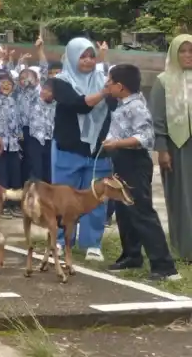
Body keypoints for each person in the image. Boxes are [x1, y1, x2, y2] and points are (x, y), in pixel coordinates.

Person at [102, 63, 179, 281]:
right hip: (121, 162)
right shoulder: (123, 103)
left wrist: (117, 144)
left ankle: (164, 266)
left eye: (110, 82)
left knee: (141, 212)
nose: (107, 85)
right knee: (124, 211)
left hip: (134, 162)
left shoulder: (136, 106)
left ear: (120, 86)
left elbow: (145, 138)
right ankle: (132, 255)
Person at [51, 37, 113, 262]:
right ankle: (59, 240)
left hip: (98, 150)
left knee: (96, 197)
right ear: (71, 57)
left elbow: (115, 107)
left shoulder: (104, 79)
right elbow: (79, 105)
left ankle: (92, 243)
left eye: (91, 56)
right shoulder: (60, 81)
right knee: (63, 197)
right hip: (70, 149)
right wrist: (104, 93)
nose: (87, 60)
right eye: (82, 56)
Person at [154, 34, 192, 261]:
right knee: (181, 197)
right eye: (183, 51)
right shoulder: (163, 81)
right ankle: (184, 248)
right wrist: (162, 148)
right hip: (177, 147)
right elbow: (157, 119)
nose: (188, 56)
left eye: (191, 51)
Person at [0, 70, 22, 216]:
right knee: (1, 175)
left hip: (14, 144)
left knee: (14, 173)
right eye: (3, 83)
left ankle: (14, 205)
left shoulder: (15, 100)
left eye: (9, 83)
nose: (6, 86)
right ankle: (2, 205)